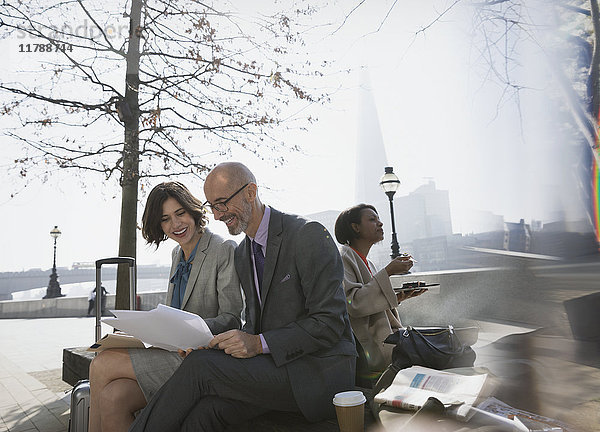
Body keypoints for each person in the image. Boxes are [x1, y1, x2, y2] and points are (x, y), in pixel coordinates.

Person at [129, 162, 357, 431]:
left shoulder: (307, 235)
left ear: (250, 192)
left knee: (200, 366)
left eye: (223, 203)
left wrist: (258, 343)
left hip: (318, 372)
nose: (217, 215)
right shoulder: (242, 253)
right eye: (213, 206)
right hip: (275, 368)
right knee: (203, 414)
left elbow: (329, 323)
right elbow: (253, 326)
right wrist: (213, 343)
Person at [88, 182, 243, 432]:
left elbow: (233, 318)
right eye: (165, 219)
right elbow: (173, 313)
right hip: (172, 351)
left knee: (101, 364)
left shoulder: (223, 249)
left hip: (201, 356)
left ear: (193, 210)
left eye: (180, 213)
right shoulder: (176, 255)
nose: (176, 225)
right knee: (112, 397)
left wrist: (191, 329)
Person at [334, 204, 425, 381]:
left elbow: (370, 298)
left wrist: (399, 296)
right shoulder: (343, 256)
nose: (380, 223)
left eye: (379, 219)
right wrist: (389, 271)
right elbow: (354, 303)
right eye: (372, 219)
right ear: (355, 227)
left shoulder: (369, 263)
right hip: (366, 347)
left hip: (386, 336)